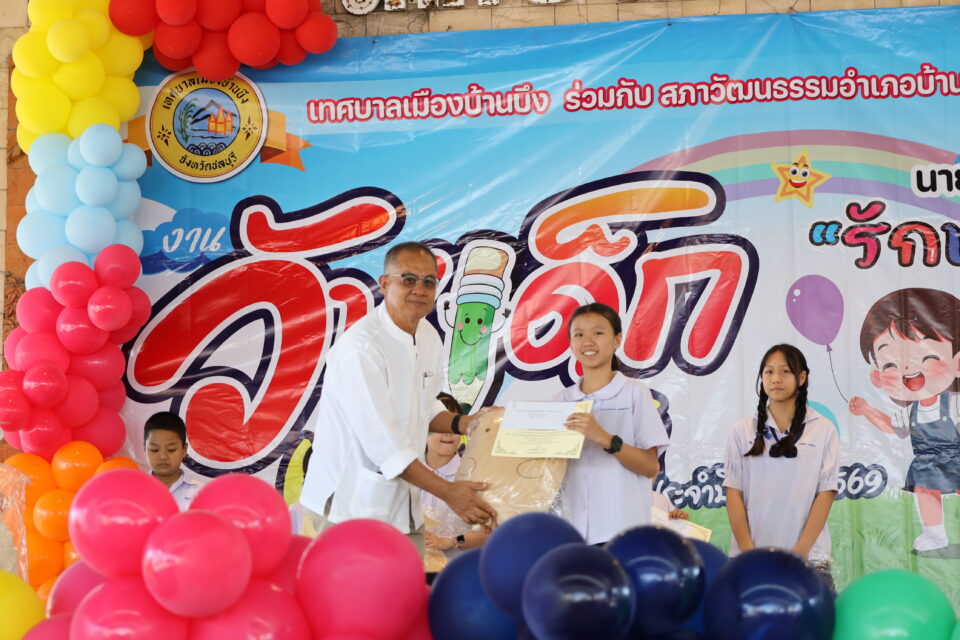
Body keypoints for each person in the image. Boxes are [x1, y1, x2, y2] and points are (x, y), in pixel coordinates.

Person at [299, 242, 496, 554]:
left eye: (428, 281)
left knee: (408, 582)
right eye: (408, 279)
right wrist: (449, 493)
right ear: (384, 284)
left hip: (403, 504)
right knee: (358, 586)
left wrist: (468, 423)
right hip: (349, 506)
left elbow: (425, 407)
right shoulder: (362, 349)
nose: (419, 289)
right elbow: (385, 447)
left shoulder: (428, 336)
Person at [849, 288, 960, 552]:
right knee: (926, 493)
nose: (908, 368)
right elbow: (893, 428)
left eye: (928, 357)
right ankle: (934, 536)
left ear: (957, 363)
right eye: (891, 364)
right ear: (877, 377)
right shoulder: (909, 411)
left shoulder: (954, 403)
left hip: (955, 459)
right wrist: (867, 410)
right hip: (925, 463)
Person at [723, 344, 839, 587]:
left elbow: (826, 492)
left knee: (816, 614)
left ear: (802, 377)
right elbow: (734, 492)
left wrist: (801, 552)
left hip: (809, 559)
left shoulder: (823, 429)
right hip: (751, 558)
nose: (776, 378)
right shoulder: (742, 430)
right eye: (769, 372)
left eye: (785, 371)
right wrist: (748, 552)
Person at [556, 302, 670, 544]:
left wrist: (605, 439)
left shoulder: (635, 392)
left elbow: (651, 468)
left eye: (598, 333)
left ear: (617, 340)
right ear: (571, 343)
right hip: (570, 532)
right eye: (579, 335)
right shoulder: (560, 401)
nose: (587, 342)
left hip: (621, 531)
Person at [423, 393, 489, 562]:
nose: (448, 433)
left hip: (455, 567)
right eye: (440, 426)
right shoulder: (407, 474)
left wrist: (452, 541)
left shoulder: (473, 476)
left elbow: (488, 534)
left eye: (453, 427)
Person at [144, 411, 203, 510]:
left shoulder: (200, 493)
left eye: (171, 450)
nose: (163, 457)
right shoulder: (134, 490)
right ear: (145, 449)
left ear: (184, 449)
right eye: (154, 449)